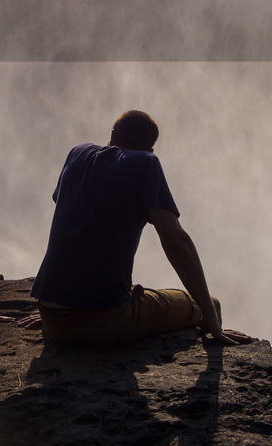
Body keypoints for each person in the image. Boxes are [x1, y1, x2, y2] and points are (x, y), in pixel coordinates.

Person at [29, 109, 249, 346]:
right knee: (211, 304)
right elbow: (177, 241)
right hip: (101, 320)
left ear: (112, 135)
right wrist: (209, 314)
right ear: (151, 148)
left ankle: (65, 312)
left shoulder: (78, 153)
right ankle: (213, 333)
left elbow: (74, 221)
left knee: (133, 291)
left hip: (51, 313)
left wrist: (57, 308)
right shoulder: (146, 163)